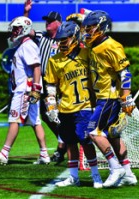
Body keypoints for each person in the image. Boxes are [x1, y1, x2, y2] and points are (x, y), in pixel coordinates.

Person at [81, 10, 138, 187]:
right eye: (86, 28)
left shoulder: (111, 45)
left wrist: (126, 97)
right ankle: (128, 173)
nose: (87, 31)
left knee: (93, 132)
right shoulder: (93, 46)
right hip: (102, 97)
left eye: (91, 28)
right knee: (113, 136)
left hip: (109, 98)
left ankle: (115, 168)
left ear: (101, 28)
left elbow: (125, 72)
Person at [0, 16, 50, 165]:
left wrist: (35, 89)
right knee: (35, 121)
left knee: (14, 120)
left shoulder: (27, 46)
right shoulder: (23, 45)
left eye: (16, 29)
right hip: (26, 89)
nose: (14, 32)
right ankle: (44, 154)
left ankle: (4, 153)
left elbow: (36, 67)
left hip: (24, 90)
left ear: (24, 29)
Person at [44, 21, 103, 188]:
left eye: (66, 39)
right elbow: (50, 85)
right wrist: (51, 105)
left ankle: (95, 175)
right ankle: (73, 177)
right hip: (65, 107)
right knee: (70, 142)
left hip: (84, 106)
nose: (62, 42)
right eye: (60, 39)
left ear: (75, 38)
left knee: (86, 141)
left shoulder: (87, 54)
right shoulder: (54, 60)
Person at [23, 0, 66, 164]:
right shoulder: (42, 36)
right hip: (41, 83)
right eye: (46, 20)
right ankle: (64, 143)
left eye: (50, 20)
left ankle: (63, 146)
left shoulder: (64, 39)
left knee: (55, 115)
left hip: (57, 84)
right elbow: (26, 31)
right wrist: (26, 12)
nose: (46, 22)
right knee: (45, 115)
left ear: (58, 23)